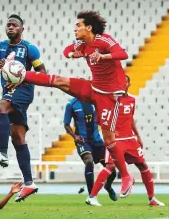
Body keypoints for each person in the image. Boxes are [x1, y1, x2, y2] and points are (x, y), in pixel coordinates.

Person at [20, 10, 134, 197]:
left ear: (89, 27)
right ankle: (23, 76)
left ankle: (127, 177)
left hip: (110, 95)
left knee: (108, 139)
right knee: (60, 81)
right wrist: (72, 54)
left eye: (78, 25)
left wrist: (103, 56)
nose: (75, 28)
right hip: (93, 88)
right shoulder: (82, 43)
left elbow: (122, 54)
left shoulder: (105, 40)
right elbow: (66, 51)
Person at [0, 14, 46, 202]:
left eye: (14, 25)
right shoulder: (0, 47)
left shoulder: (29, 48)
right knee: (18, 138)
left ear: (22, 29)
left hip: (24, 91)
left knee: (0, 109)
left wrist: (22, 75)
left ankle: (2, 154)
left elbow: (42, 72)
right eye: (8, 25)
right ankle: (29, 183)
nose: (10, 27)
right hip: (8, 91)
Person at [86, 76, 165, 207]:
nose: (123, 83)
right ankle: (92, 197)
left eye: (125, 81)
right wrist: (109, 131)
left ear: (128, 83)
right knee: (110, 167)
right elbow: (99, 118)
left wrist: (138, 136)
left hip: (130, 140)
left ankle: (152, 198)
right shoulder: (109, 99)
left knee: (143, 166)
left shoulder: (131, 100)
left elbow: (131, 118)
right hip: (115, 140)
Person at [63, 97, 117, 200]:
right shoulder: (71, 104)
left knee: (112, 168)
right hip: (83, 141)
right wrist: (75, 136)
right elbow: (66, 124)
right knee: (89, 161)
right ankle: (92, 195)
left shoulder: (95, 101)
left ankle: (108, 186)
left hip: (97, 141)